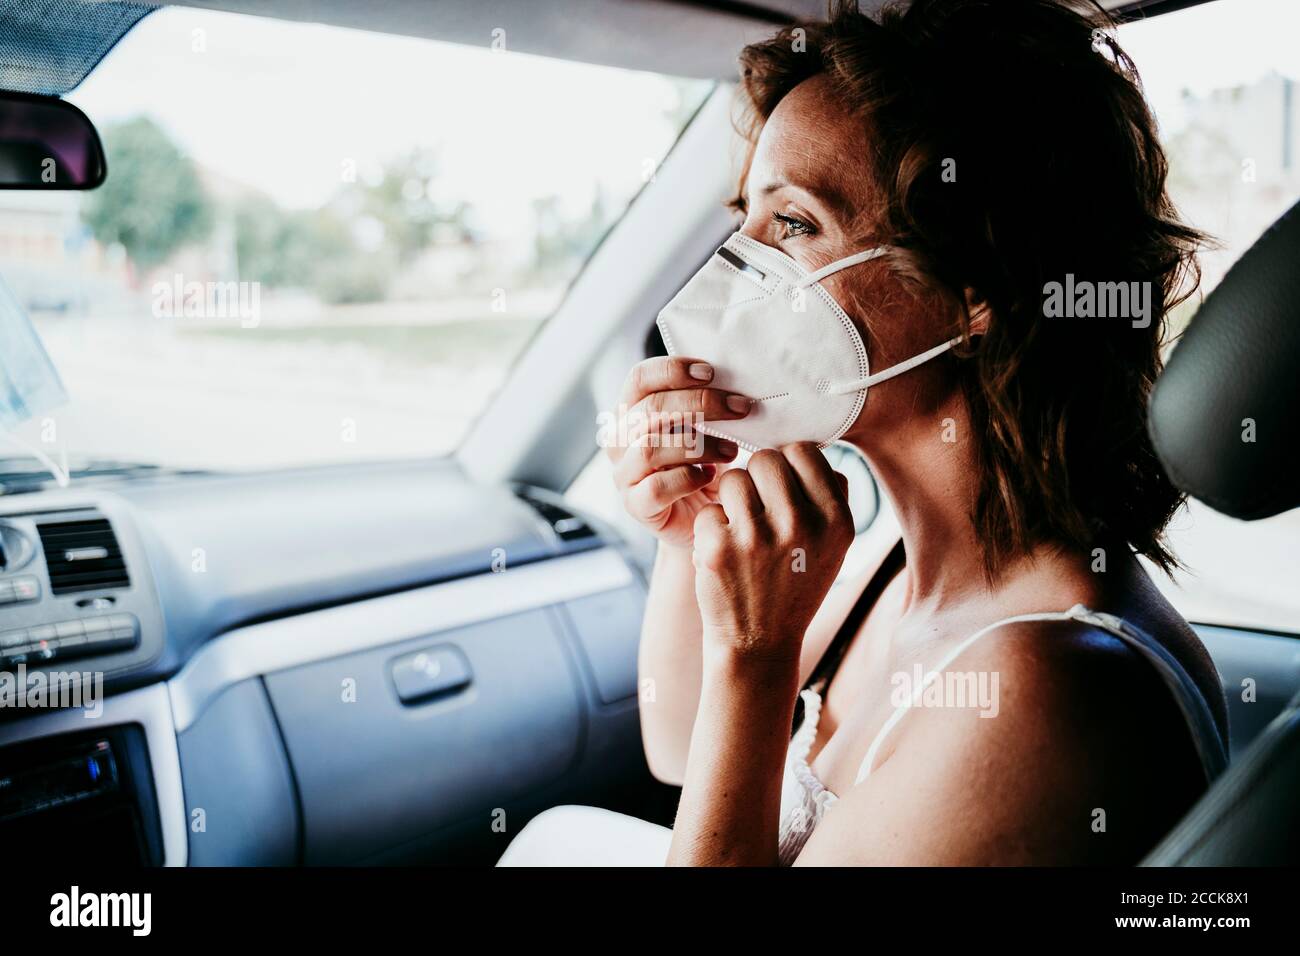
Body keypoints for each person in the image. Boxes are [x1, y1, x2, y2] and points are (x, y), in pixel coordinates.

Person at [499, 0, 1226, 867]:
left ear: (977, 289)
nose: (734, 273)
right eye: (745, 222)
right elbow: (685, 747)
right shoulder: (891, 566)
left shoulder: (1040, 687)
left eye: (795, 225)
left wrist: (759, 656)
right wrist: (690, 535)